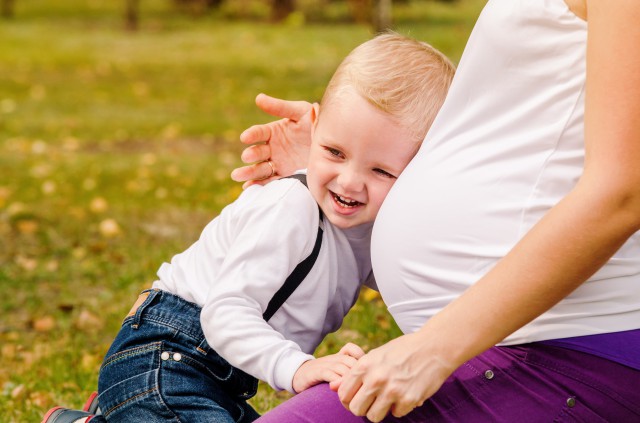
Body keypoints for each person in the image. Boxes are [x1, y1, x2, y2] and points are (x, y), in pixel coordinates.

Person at [232, 1, 640, 422]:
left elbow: (623, 193)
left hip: (565, 353)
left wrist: (434, 348)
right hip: (501, 344)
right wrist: (342, 151)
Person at [41, 32, 456, 423]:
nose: (348, 181)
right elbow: (224, 313)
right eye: (333, 150)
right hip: (166, 356)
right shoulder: (290, 206)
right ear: (314, 125)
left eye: (382, 170)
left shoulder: (369, 230)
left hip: (217, 381)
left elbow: (412, 286)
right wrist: (299, 368)